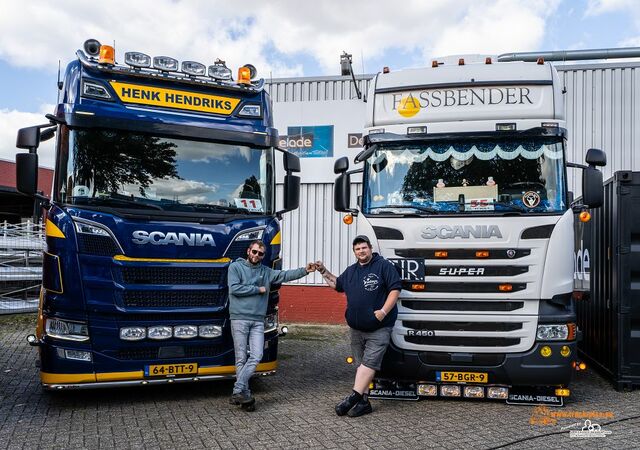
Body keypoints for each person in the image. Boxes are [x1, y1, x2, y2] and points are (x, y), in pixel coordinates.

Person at [316, 235, 401, 417]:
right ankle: (364, 403)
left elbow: (395, 290)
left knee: (368, 365)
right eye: (357, 249)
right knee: (361, 365)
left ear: (370, 248)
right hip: (356, 329)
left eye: (364, 248)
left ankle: (352, 398)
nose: (361, 251)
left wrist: (383, 312)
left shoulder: (383, 266)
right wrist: (323, 271)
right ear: (354, 252)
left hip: (379, 327)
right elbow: (337, 284)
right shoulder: (352, 270)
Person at [227, 239, 316, 410]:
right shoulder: (235, 267)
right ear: (248, 251)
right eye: (254, 252)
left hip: (258, 320)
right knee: (241, 358)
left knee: (257, 355)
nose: (257, 256)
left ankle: (238, 389)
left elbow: (285, 275)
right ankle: (243, 393)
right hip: (239, 318)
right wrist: (257, 289)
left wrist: (305, 270)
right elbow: (234, 289)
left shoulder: (266, 272)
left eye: (260, 254)